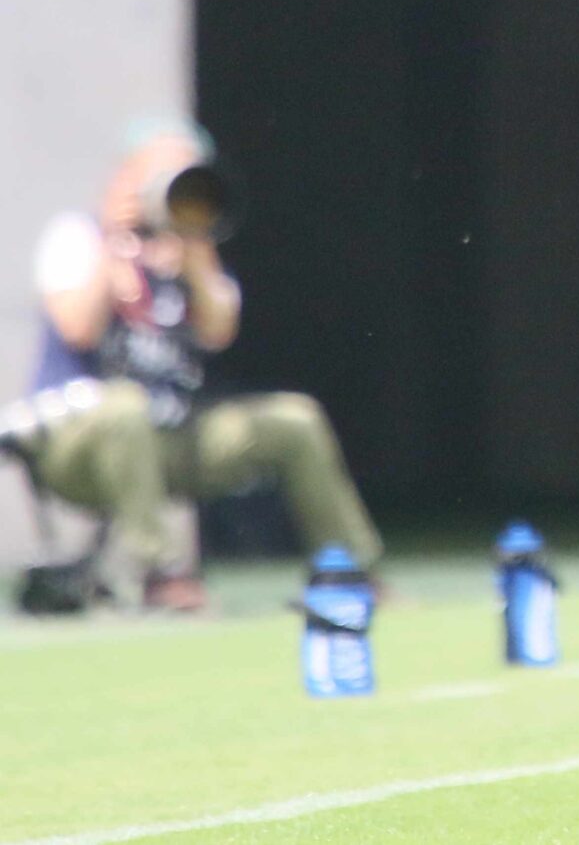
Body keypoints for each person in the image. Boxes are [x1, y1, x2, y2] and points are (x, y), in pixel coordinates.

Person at [23, 119, 383, 610]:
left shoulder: (189, 250)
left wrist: (193, 248)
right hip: (77, 442)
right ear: (129, 174)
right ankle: (160, 573)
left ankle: (350, 569)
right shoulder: (78, 235)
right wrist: (114, 237)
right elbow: (78, 327)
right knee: (125, 407)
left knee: (294, 420)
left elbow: (218, 330)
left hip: (170, 435)